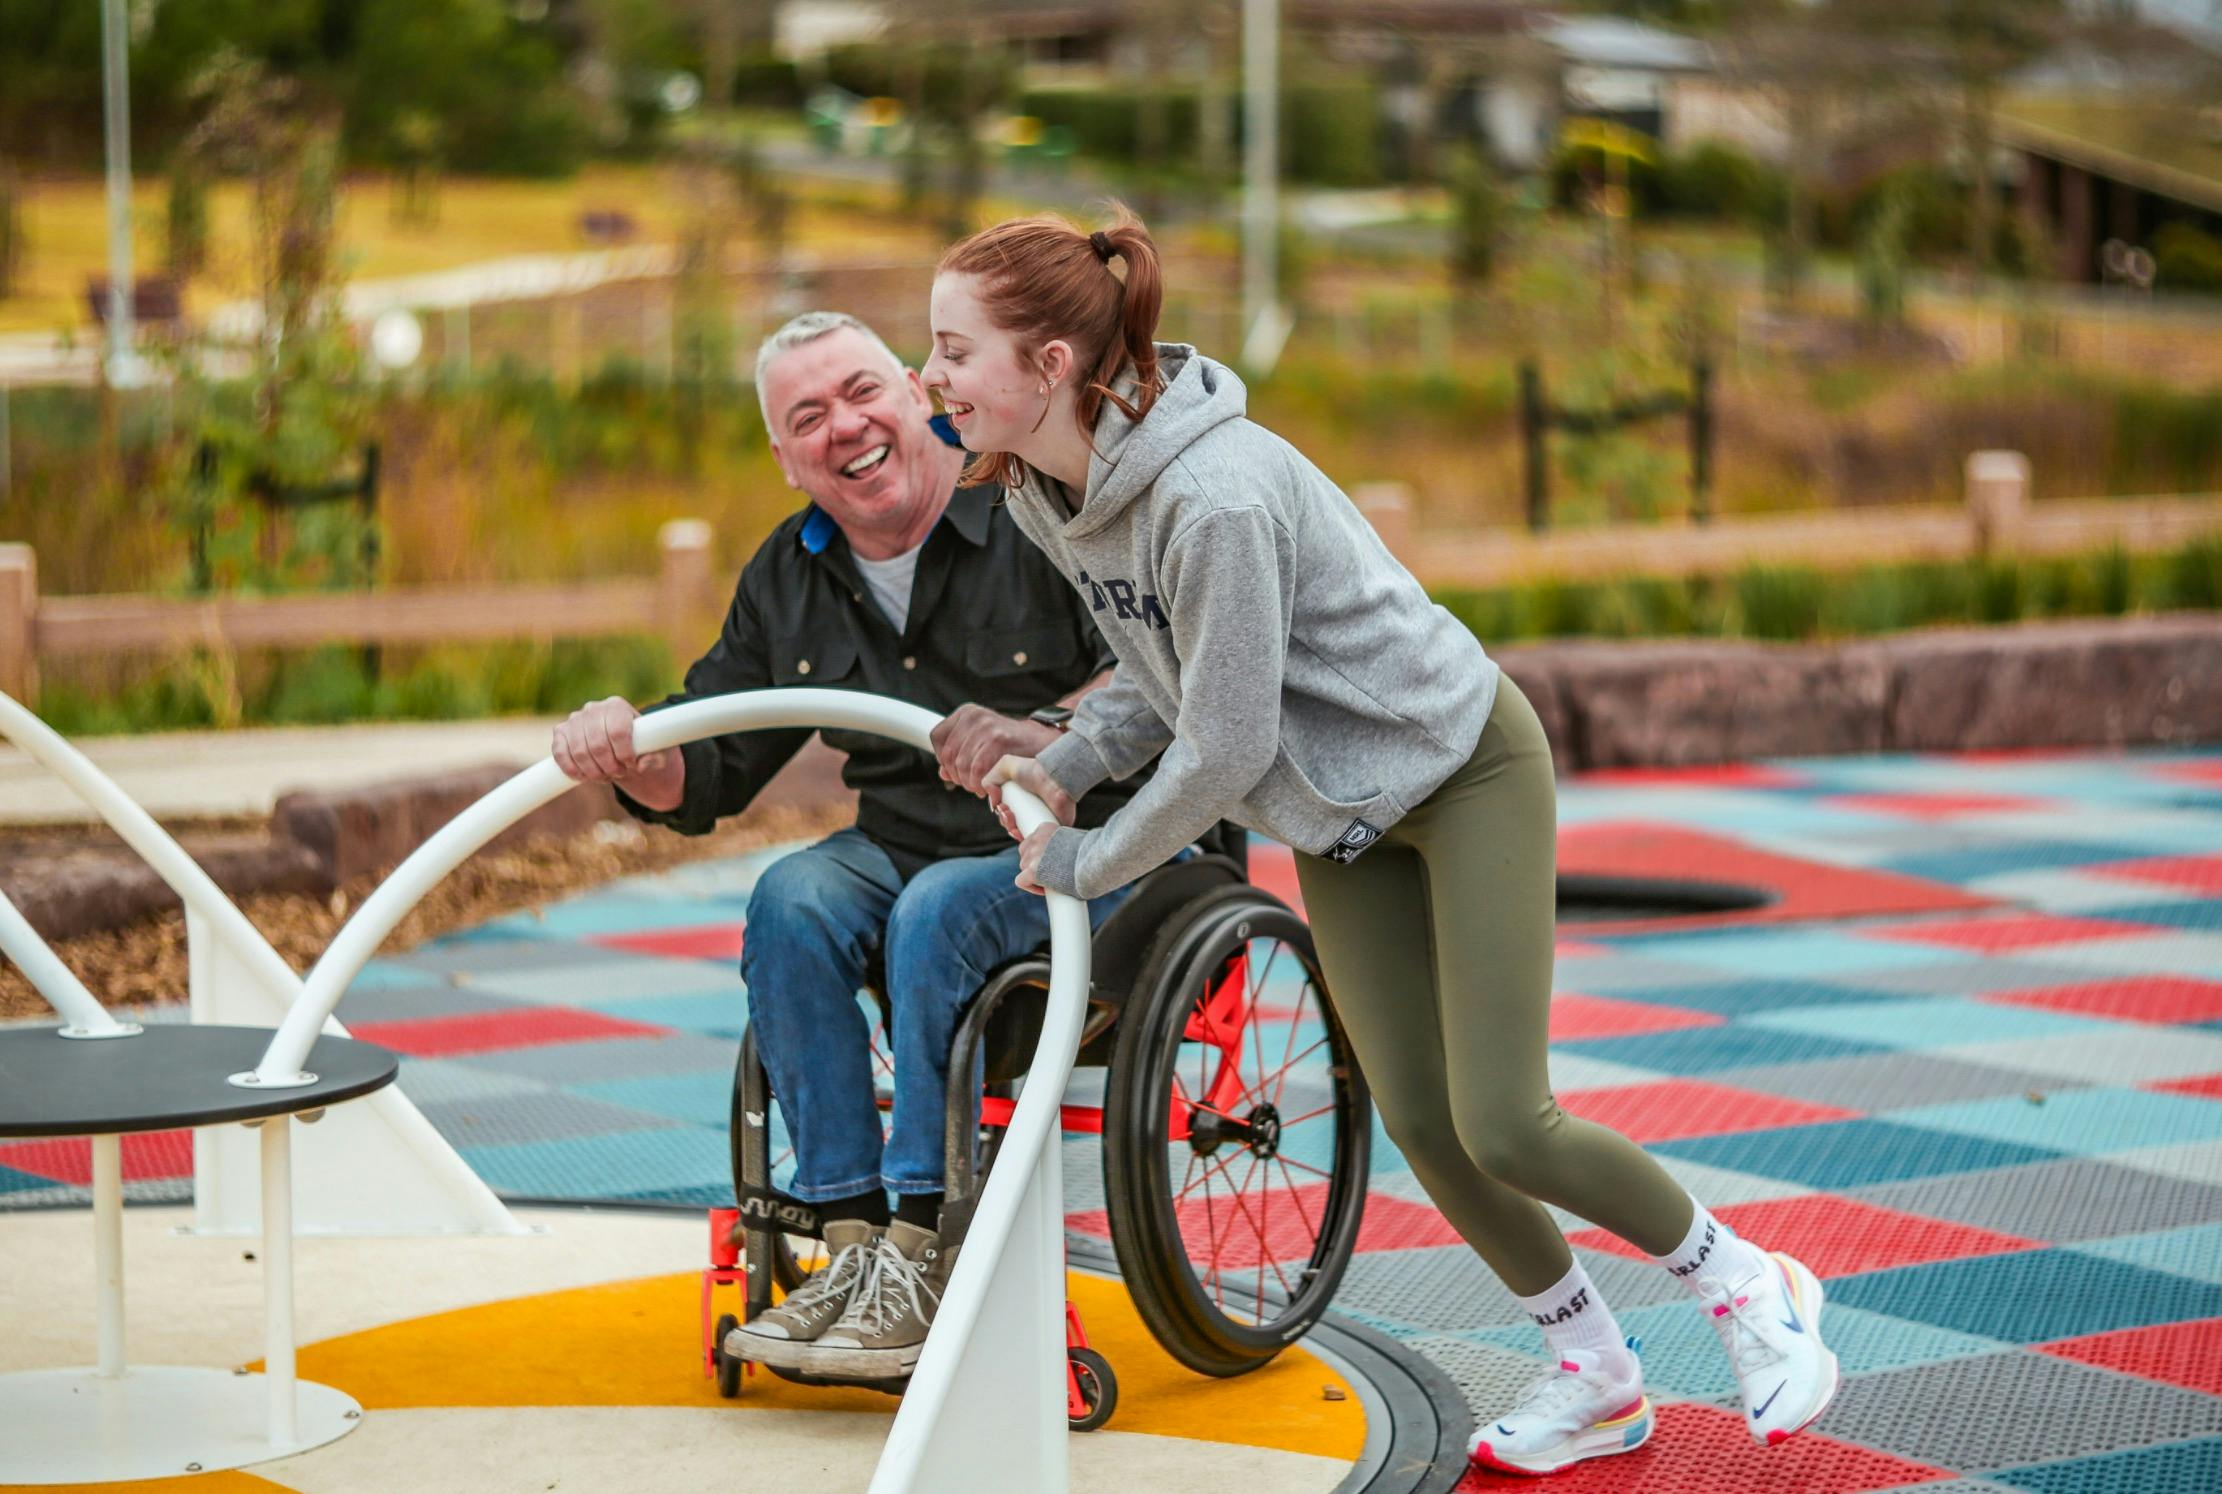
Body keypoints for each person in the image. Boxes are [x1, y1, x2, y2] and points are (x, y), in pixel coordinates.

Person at [916, 213, 1840, 1474]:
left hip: (1457, 771)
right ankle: (1597, 1376)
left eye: (951, 350)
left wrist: (1092, 853)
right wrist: (1068, 761)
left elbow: (1225, 745)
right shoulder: (1042, 491)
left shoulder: (1213, 494)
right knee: (1418, 1116)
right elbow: (1162, 670)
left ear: (1051, 364)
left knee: (1505, 1120)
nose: (931, 379)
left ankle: (1747, 1284)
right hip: (1338, 820)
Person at [552, 311, 1143, 1379]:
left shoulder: (1035, 502)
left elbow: (1157, 672)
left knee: (936, 909)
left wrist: (1048, 733)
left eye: (861, 391)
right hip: (908, 848)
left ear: (918, 391)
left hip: (1098, 855)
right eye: (806, 416)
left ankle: (921, 1244)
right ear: (784, 458)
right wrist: (624, 749)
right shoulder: (789, 575)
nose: (845, 427)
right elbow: (708, 768)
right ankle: (850, 1244)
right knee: (794, 895)